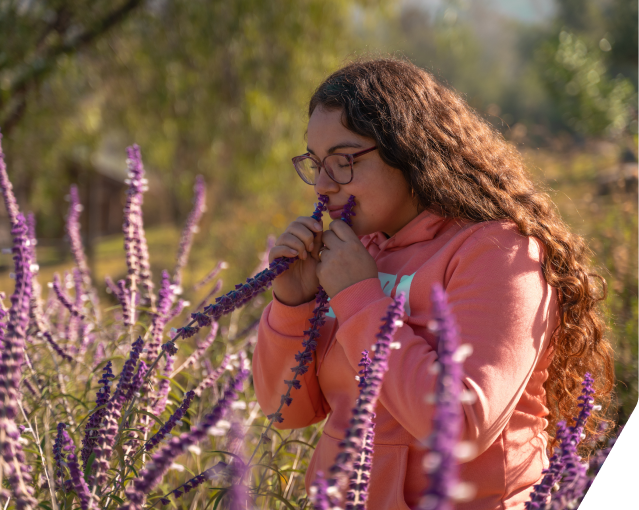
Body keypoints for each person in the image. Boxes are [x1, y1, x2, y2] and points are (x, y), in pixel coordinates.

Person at [252, 58, 614, 509]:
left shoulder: (498, 252)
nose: (323, 186)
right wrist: (293, 302)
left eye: (344, 161)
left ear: (408, 151)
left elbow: (461, 424)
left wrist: (359, 298)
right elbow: (285, 411)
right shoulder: (361, 249)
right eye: (316, 162)